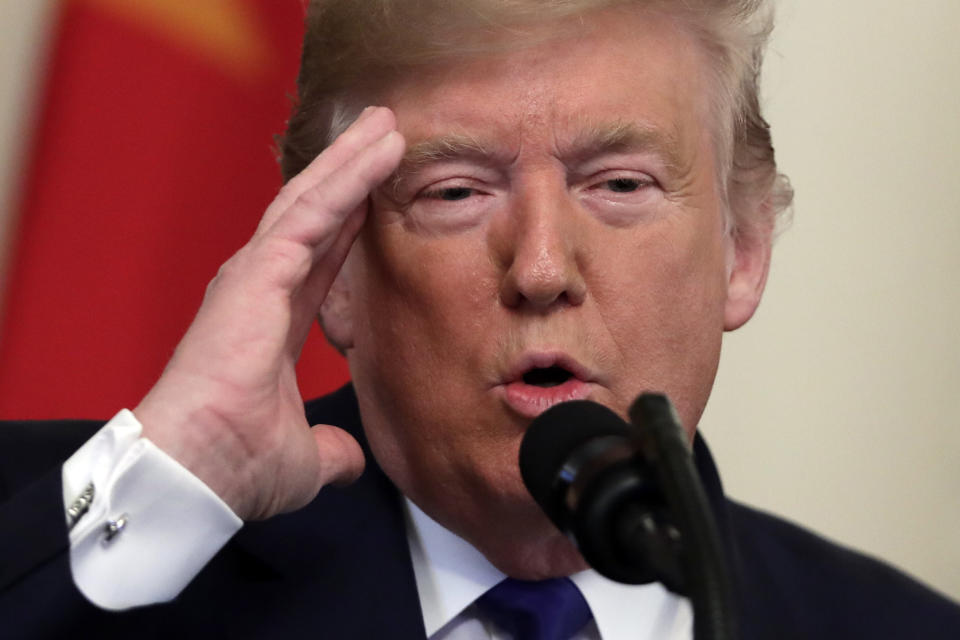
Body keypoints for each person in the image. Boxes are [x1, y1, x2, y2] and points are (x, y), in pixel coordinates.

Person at [1, 0, 959, 638]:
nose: (541, 268)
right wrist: (186, 468)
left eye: (619, 184)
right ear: (334, 268)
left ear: (741, 253)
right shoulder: (83, 552)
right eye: (456, 192)